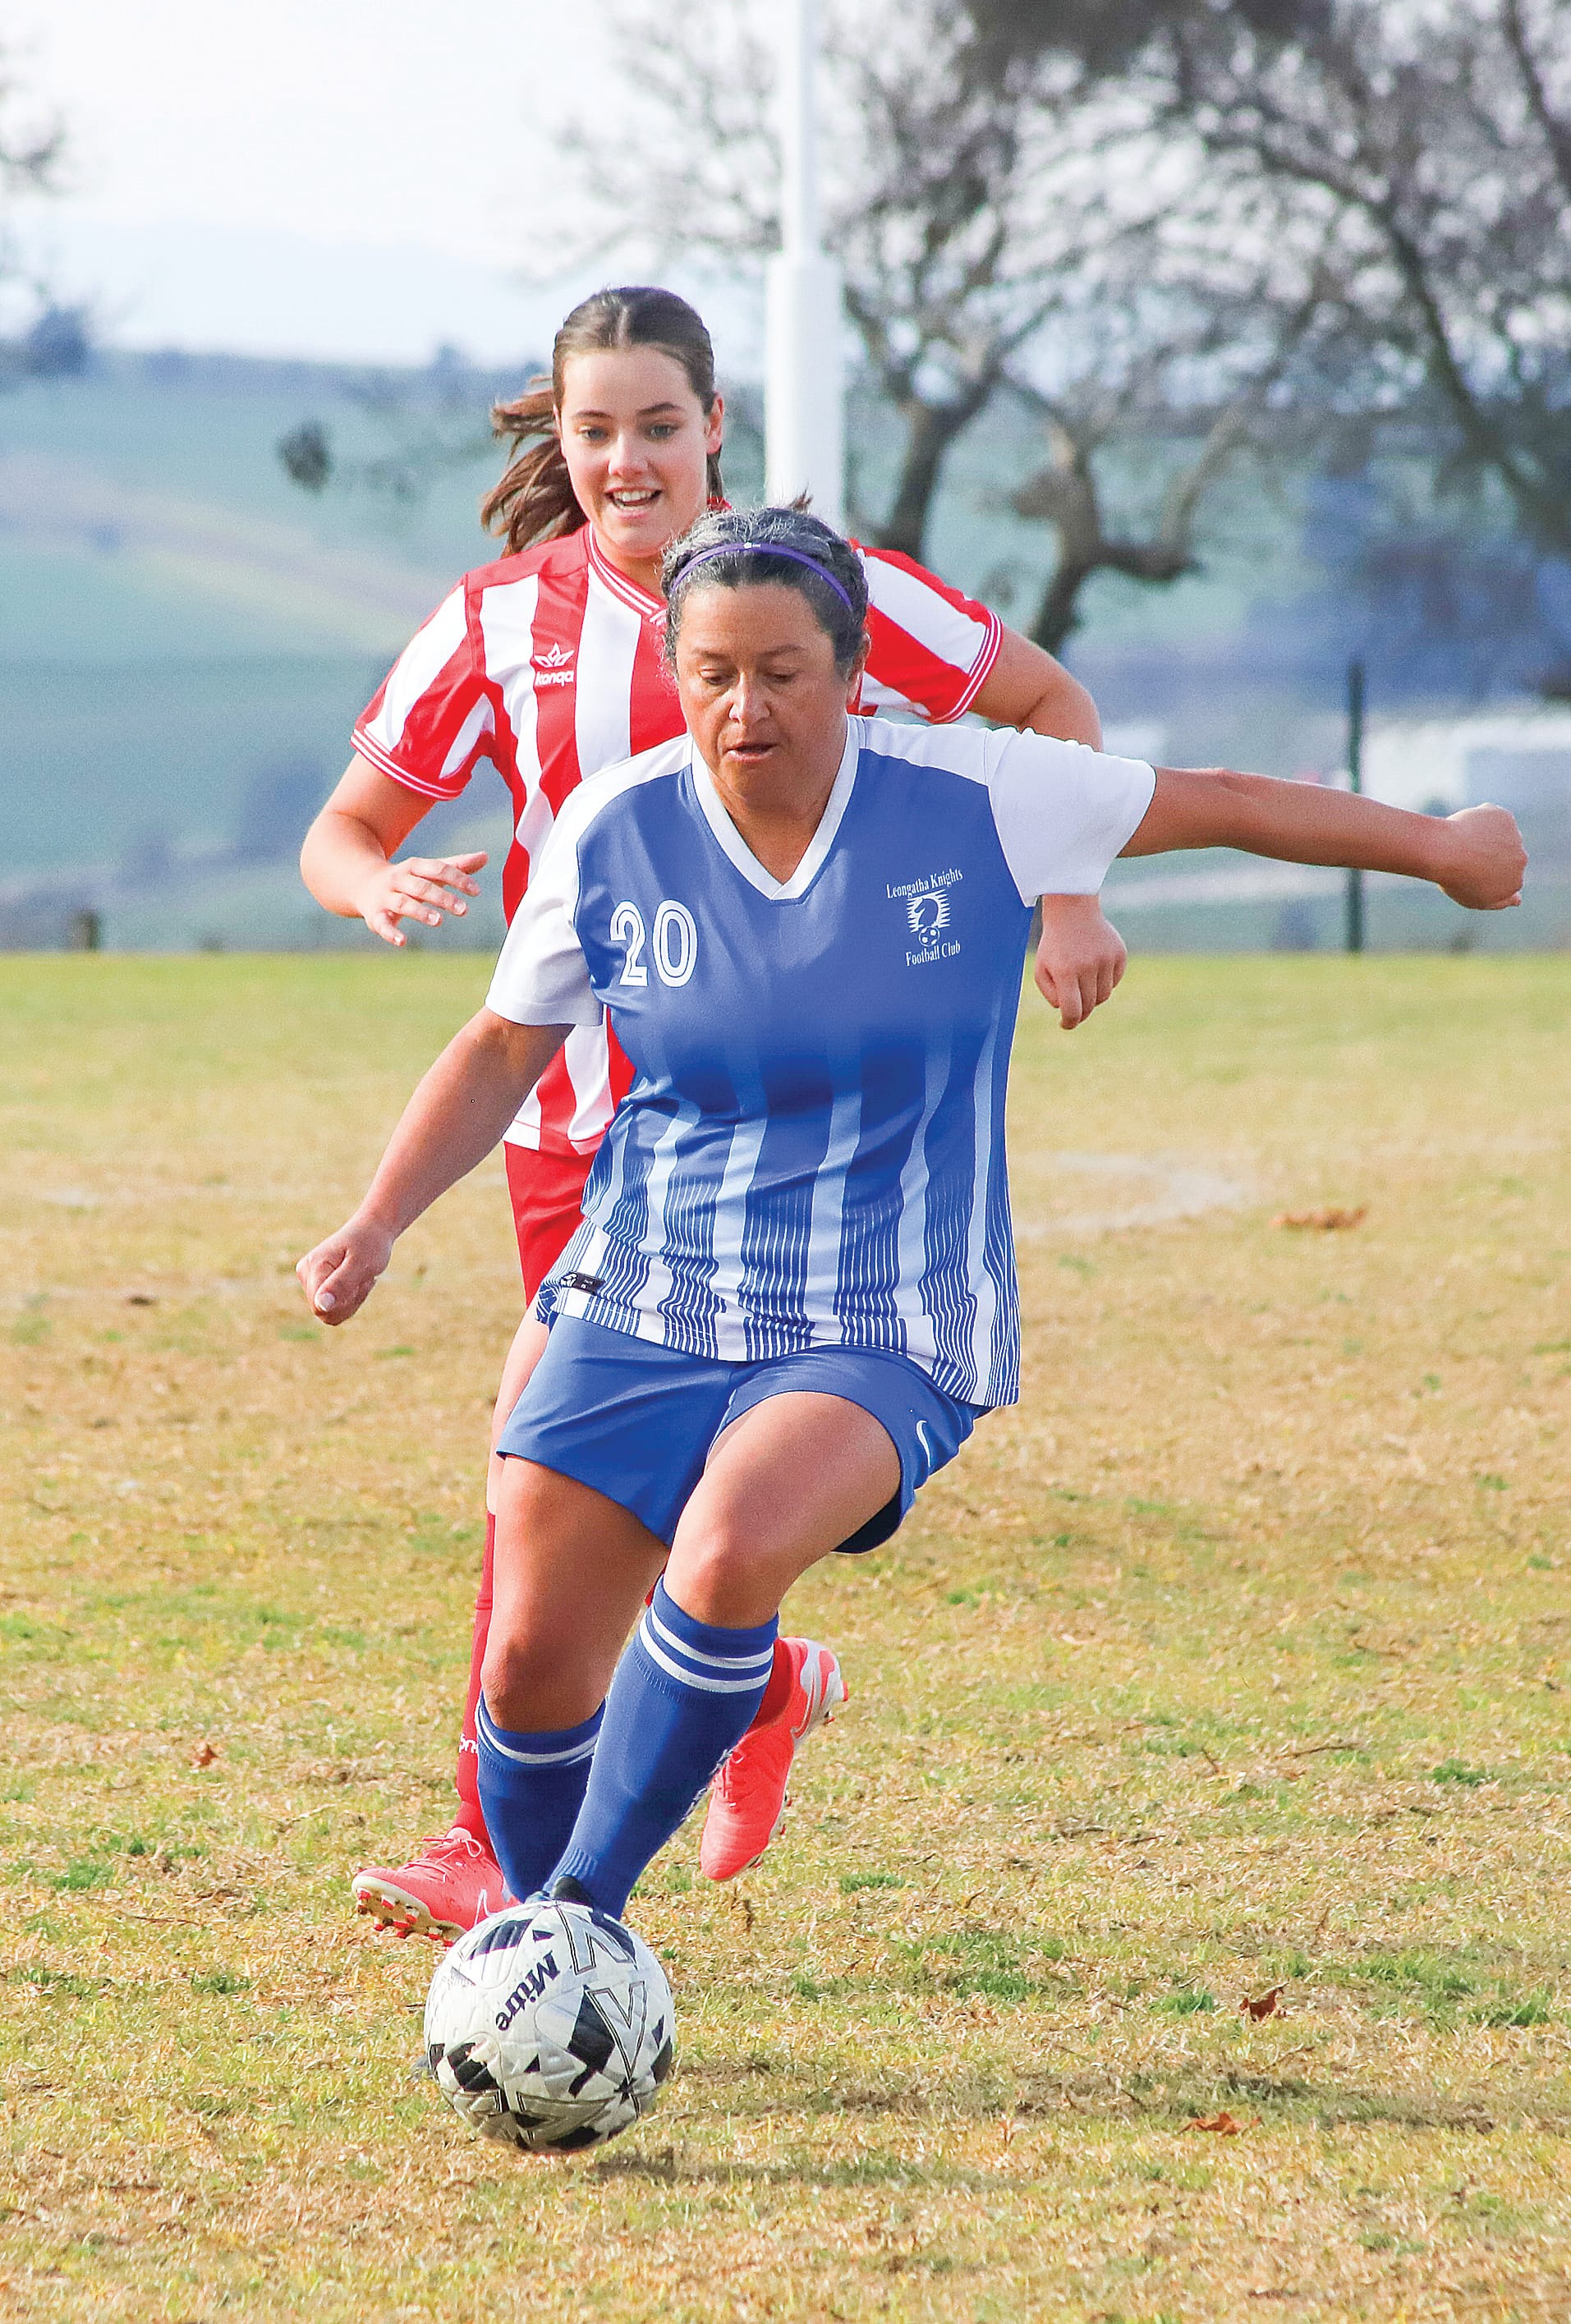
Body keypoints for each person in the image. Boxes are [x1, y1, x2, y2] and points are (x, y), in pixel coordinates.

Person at [296, 504, 1524, 1927]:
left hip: (887, 1306)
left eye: (781, 671)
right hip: (648, 1282)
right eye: (708, 673)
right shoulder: (613, 827)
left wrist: (1441, 847)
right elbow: (502, 1048)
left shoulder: (979, 791)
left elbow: (1231, 800)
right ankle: (541, 1915)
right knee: (524, 1663)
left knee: (734, 1541)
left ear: (852, 666)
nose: (741, 707)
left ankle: (572, 1922)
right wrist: (377, 1221)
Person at [299, 286, 1128, 1945]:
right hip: (583, 1124)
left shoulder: (828, 590)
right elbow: (344, 825)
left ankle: (555, 1853)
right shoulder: (494, 625)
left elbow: (1051, 720)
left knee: (664, 1492)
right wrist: (372, 881)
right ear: (558, 436)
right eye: (594, 429)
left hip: (795, 1120)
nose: (627, 459)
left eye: (658, 426)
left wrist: (1066, 896)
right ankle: (602, 1799)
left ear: (714, 427)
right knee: (542, 1481)